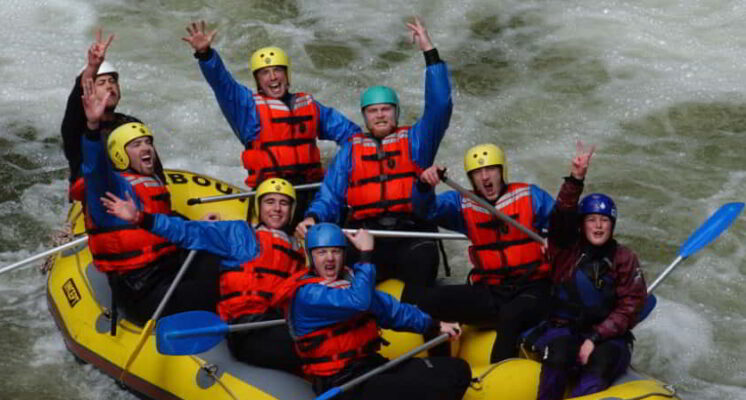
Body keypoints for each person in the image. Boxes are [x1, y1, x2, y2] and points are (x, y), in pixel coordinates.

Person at [295, 17, 452, 290]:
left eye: (386, 109)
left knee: (421, 272)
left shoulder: (417, 140)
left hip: (411, 233)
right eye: (373, 111)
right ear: (365, 117)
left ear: (396, 112)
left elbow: (440, 105)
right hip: (366, 235)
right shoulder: (352, 149)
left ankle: (423, 319)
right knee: (347, 283)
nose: (380, 115)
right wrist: (314, 217)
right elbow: (330, 195)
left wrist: (429, 52)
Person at [271, 223, 471, 400]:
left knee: (457, 370)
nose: (330, 258)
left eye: (336, 251)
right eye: (322, 252)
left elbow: (391, 310)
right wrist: (366, 254)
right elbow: (359, 302)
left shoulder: (351, 282)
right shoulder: (309, 295)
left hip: (370, 367)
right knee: (438, 389)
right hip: (343, 386)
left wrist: (435, 325)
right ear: (311, 257)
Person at [101, 178, 306, 372]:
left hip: (277, 325)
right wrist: (141, 218)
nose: (277, 209)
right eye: (270, 202)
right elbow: (186, 231)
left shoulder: (298, 252)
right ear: (258, 207)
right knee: (308, 352)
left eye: (284, 203)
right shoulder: (239, 234)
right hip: (247, 329)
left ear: (292, 210)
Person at [182, 20, 361, 219]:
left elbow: (351, 135)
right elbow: (222, 83)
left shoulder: (308, 104)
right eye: (265, 73)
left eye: (278, 70)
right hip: (272, 196)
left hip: (311, 191)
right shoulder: (247, 108)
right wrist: (206, 55)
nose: (273, 77)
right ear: (258, 80)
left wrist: (339, 172)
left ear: (287, 74)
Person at [80, 76, 219, 325]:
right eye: (135, 145)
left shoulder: (151, 182)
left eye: (148, 143)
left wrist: (199, 227)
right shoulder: (112, 190)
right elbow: (94, 169)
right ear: (120, 155)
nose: (146, 149)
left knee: (226, 256)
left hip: (168, 270)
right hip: (142, 291)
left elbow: (164, 221)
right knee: (221, 288)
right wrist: (92, 129)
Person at [521, 142, 647, 400]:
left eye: (604, 221)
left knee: (602, 361)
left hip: (607, 335)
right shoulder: (565, 248)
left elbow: (630, 306)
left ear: (612, 226)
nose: (599, 226)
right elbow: (562, 215)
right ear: (582, 225)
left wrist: (595, 337)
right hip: (563, 328)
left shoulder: (624, 258)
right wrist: (576, 178)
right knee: (560, 354)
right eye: (592, 220)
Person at [410, 143, 555, 363]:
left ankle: (499, 374)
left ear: (502, 171)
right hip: (492, 290)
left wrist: (555, 241)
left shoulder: (531, 196)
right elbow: (425, 211)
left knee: (511, 315)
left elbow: (563, 230)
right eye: (477, 172)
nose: (485, 177)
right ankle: (441, 365)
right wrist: (423, 186)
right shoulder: (462, 203)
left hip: (533, 288)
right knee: (429, 301)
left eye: (491, 170)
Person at [61, 29, 162, 202]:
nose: (109, 86)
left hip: (136, 198)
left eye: (112, 81)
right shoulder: (77, 126)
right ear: (89, 89)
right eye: (101, 83)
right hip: (96, 203)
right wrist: (93, 67)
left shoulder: (130, 123)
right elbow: (77, 98)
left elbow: (155, 170)